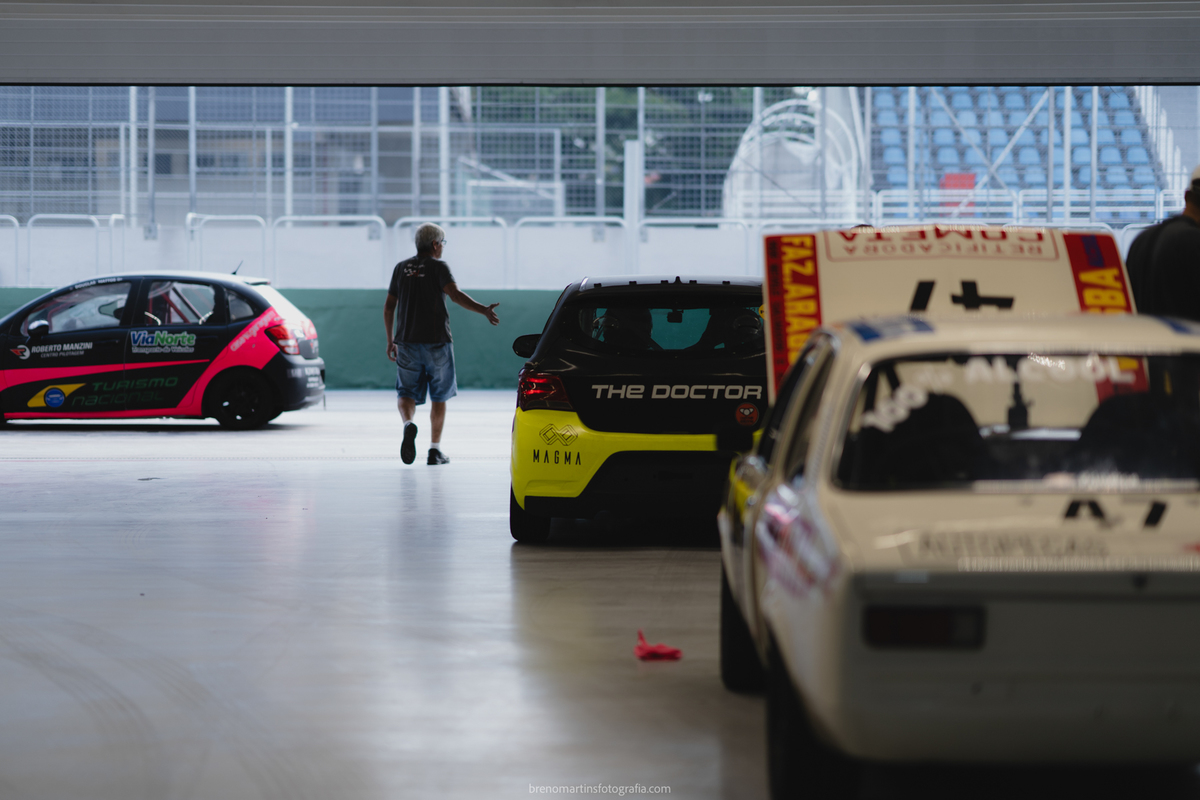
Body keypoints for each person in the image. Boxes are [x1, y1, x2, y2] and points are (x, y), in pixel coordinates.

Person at [383, 223, 499, 465]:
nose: (443, 248)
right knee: (439, 395)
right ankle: (434, 451)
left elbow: (389, 307)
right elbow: (455, 295)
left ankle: (408, 423)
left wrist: (390, 340)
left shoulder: (400, 268)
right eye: (442, 243)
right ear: (435, 244)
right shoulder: (439, 267)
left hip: (406, 343)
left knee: (406, 393)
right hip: (437, 343)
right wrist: (484, 310)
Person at [1130, 164, 1200, 319]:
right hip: (1186, 335)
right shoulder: (1194, 242)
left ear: (1187, 196)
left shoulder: (1141, 239)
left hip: (1145, 334)